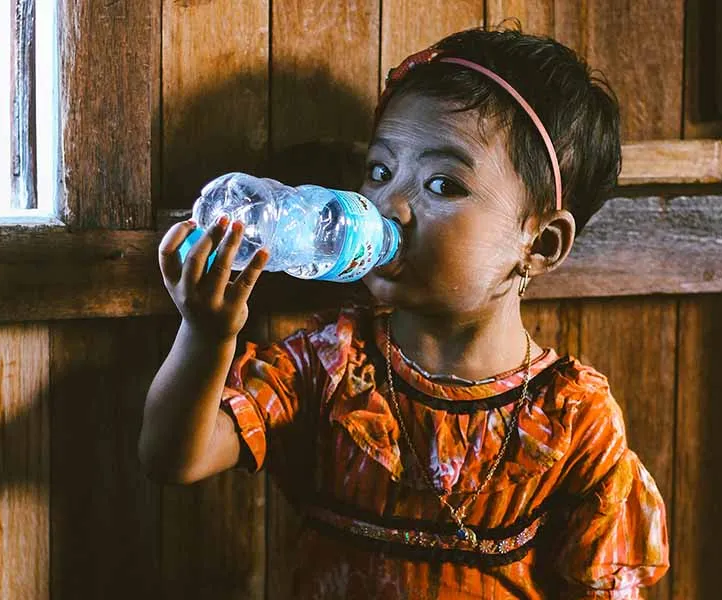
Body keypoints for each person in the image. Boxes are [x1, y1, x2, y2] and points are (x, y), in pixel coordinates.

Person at [139, 26, 669, 599]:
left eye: (442, 184)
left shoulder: (572, 421)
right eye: (379, 171)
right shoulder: (333, 367)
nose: (387, 206)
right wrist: (207, 334)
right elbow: (174, 458)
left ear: (539, 245)